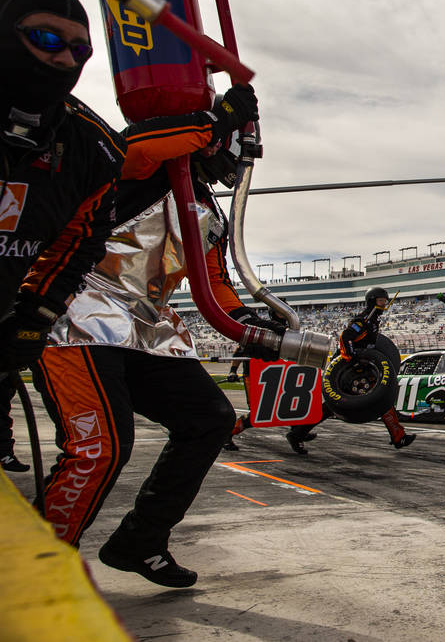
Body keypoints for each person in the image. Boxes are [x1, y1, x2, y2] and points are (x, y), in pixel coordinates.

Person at [32, 62, 281, 588]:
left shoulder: (207, 208)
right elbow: (135, 146)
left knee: (210, 418)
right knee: (101, 447)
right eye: (241, 147)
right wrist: (215, 121)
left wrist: (248, 324)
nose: (240, 163)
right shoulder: (147, 163)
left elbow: (215, 285)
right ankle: (35, 571)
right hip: (75, 315)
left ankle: (140, 540)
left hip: (146, 327)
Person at [0, 0, 126, 471]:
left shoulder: (91, 150)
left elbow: (82, 238)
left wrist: (37, 314)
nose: (65, 60)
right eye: (47, 40)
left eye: (80, 49)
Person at [279, 287, 414, 455]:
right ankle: (296, 433)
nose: (384, 303)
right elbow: (345, 337)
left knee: (381, 400)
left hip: (362, 367)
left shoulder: (373, 319)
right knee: (330, 407)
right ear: (372, 301)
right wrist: (353, 358)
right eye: (381, 300)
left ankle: (398, 436)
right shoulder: (365, 318)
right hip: (347, 369)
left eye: (385, 300)